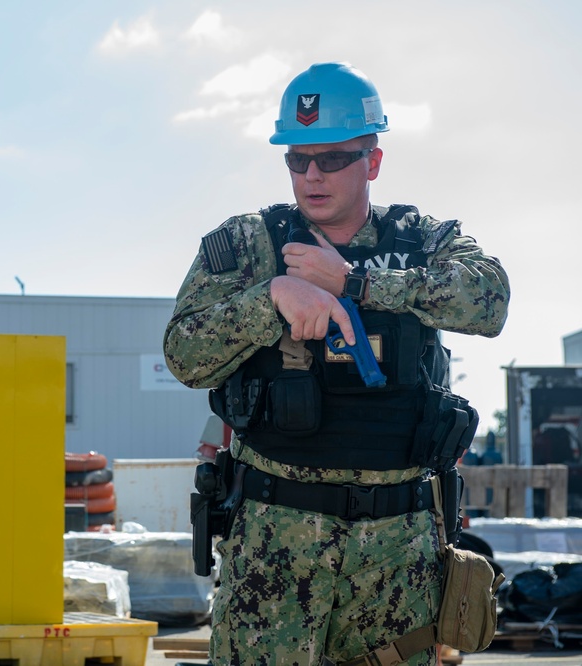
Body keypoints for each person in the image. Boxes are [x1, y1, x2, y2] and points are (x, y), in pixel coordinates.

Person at [164, 63, 509, 665]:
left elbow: (489, 300)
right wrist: (270, 298)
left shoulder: (419, 241)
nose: (312, 175)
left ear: (372, 162)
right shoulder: (248, 245)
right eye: (298, 160)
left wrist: (359, 284)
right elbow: (184, 355)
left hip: (397, 554)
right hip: (274, 543)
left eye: (332, 158)